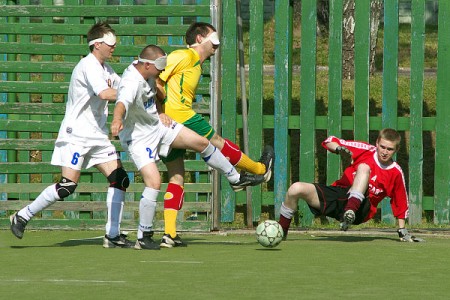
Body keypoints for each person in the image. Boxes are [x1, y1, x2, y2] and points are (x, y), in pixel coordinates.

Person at [111, 44, 264, 250]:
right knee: (154, 182)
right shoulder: (130, 82)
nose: (162, 70)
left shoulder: (147, 72)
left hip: (158, 126)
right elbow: (121, 103)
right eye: (160, 66)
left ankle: (235, 179)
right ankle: (143, 236)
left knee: (202, 142)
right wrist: (116, 120)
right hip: (139, 138)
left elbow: (154, 94)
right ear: (147, 65)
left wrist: (160, 110)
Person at [9, 22, 134, 248]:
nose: (114, 48)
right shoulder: (88, 66)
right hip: (76, 134)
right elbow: (106, 93)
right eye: (110, 44)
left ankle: (113, 234)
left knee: (120, 179)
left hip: (96, 136)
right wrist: (133, 92)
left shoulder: (107, 69)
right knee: (67, 186)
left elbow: (124, 85)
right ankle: (22, 216)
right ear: (97, 45)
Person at [156, 22, 274, 247]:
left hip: (169, 124)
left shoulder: (196, 63)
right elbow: (156, 79)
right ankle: (259, 169)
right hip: (180, 116)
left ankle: (169, 234)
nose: (217, 44)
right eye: (213, 38)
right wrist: (161, 111)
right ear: (199, 39)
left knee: (176, 176)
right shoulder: (184, 55)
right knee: (216, 141)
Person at [278, 128, 423, 242]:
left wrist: (402, 230)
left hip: (362, 209)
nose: (384, 152)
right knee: (295, 189)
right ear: (377, 143)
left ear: (396, 150)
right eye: (382, 147)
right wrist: (339, 149)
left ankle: (351, 211)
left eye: (389, 149)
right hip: (340, 196)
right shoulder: (365, 150)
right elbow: (329, 140)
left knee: (364, 168)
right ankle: (280, 233)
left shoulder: (396, 172)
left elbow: (400, 202)